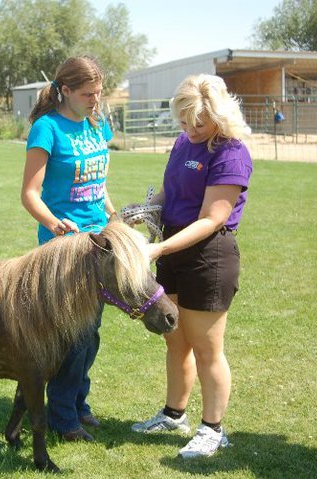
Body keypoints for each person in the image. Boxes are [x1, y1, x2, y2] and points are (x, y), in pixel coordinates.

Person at [130, 74, 253, 458]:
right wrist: (145, 211)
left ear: (219, 114)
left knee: (206, 348)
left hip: (208, 256)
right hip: (173, 250)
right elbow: (169, 190)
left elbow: (211, 219)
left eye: (198, 123)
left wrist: (156, 250)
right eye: (183, 122)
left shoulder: (231, 152)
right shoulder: (183, 141)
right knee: (175, 339)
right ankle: (173, 414)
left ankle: (213, 430)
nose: (190, 130)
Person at [21, 56, 118, 442]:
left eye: (98, 92)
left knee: (91, 332)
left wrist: (113, 212)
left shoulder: (97, 124)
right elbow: (29, 194)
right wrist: (53, 223)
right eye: (87, 93)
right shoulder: (47, 129)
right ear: (65, 91)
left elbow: (98, 180)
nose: (95, 100)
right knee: (75, 334)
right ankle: (63, 416)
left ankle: (78, 401)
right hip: (64, 247)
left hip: (101, 241)